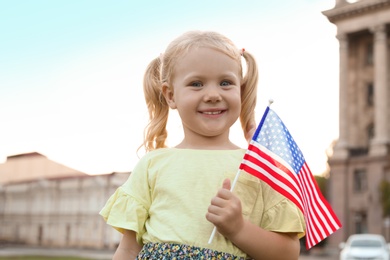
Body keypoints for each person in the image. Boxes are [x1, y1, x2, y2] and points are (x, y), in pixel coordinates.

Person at [100, 30, 305, 260]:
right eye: (196, 84)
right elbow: (128, 249)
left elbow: (287, 254)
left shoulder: (258, 165)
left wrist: (239, 229)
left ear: (241, 90)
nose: (212, 94)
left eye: (225, 83)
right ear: (170, 95)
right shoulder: (152, 164)